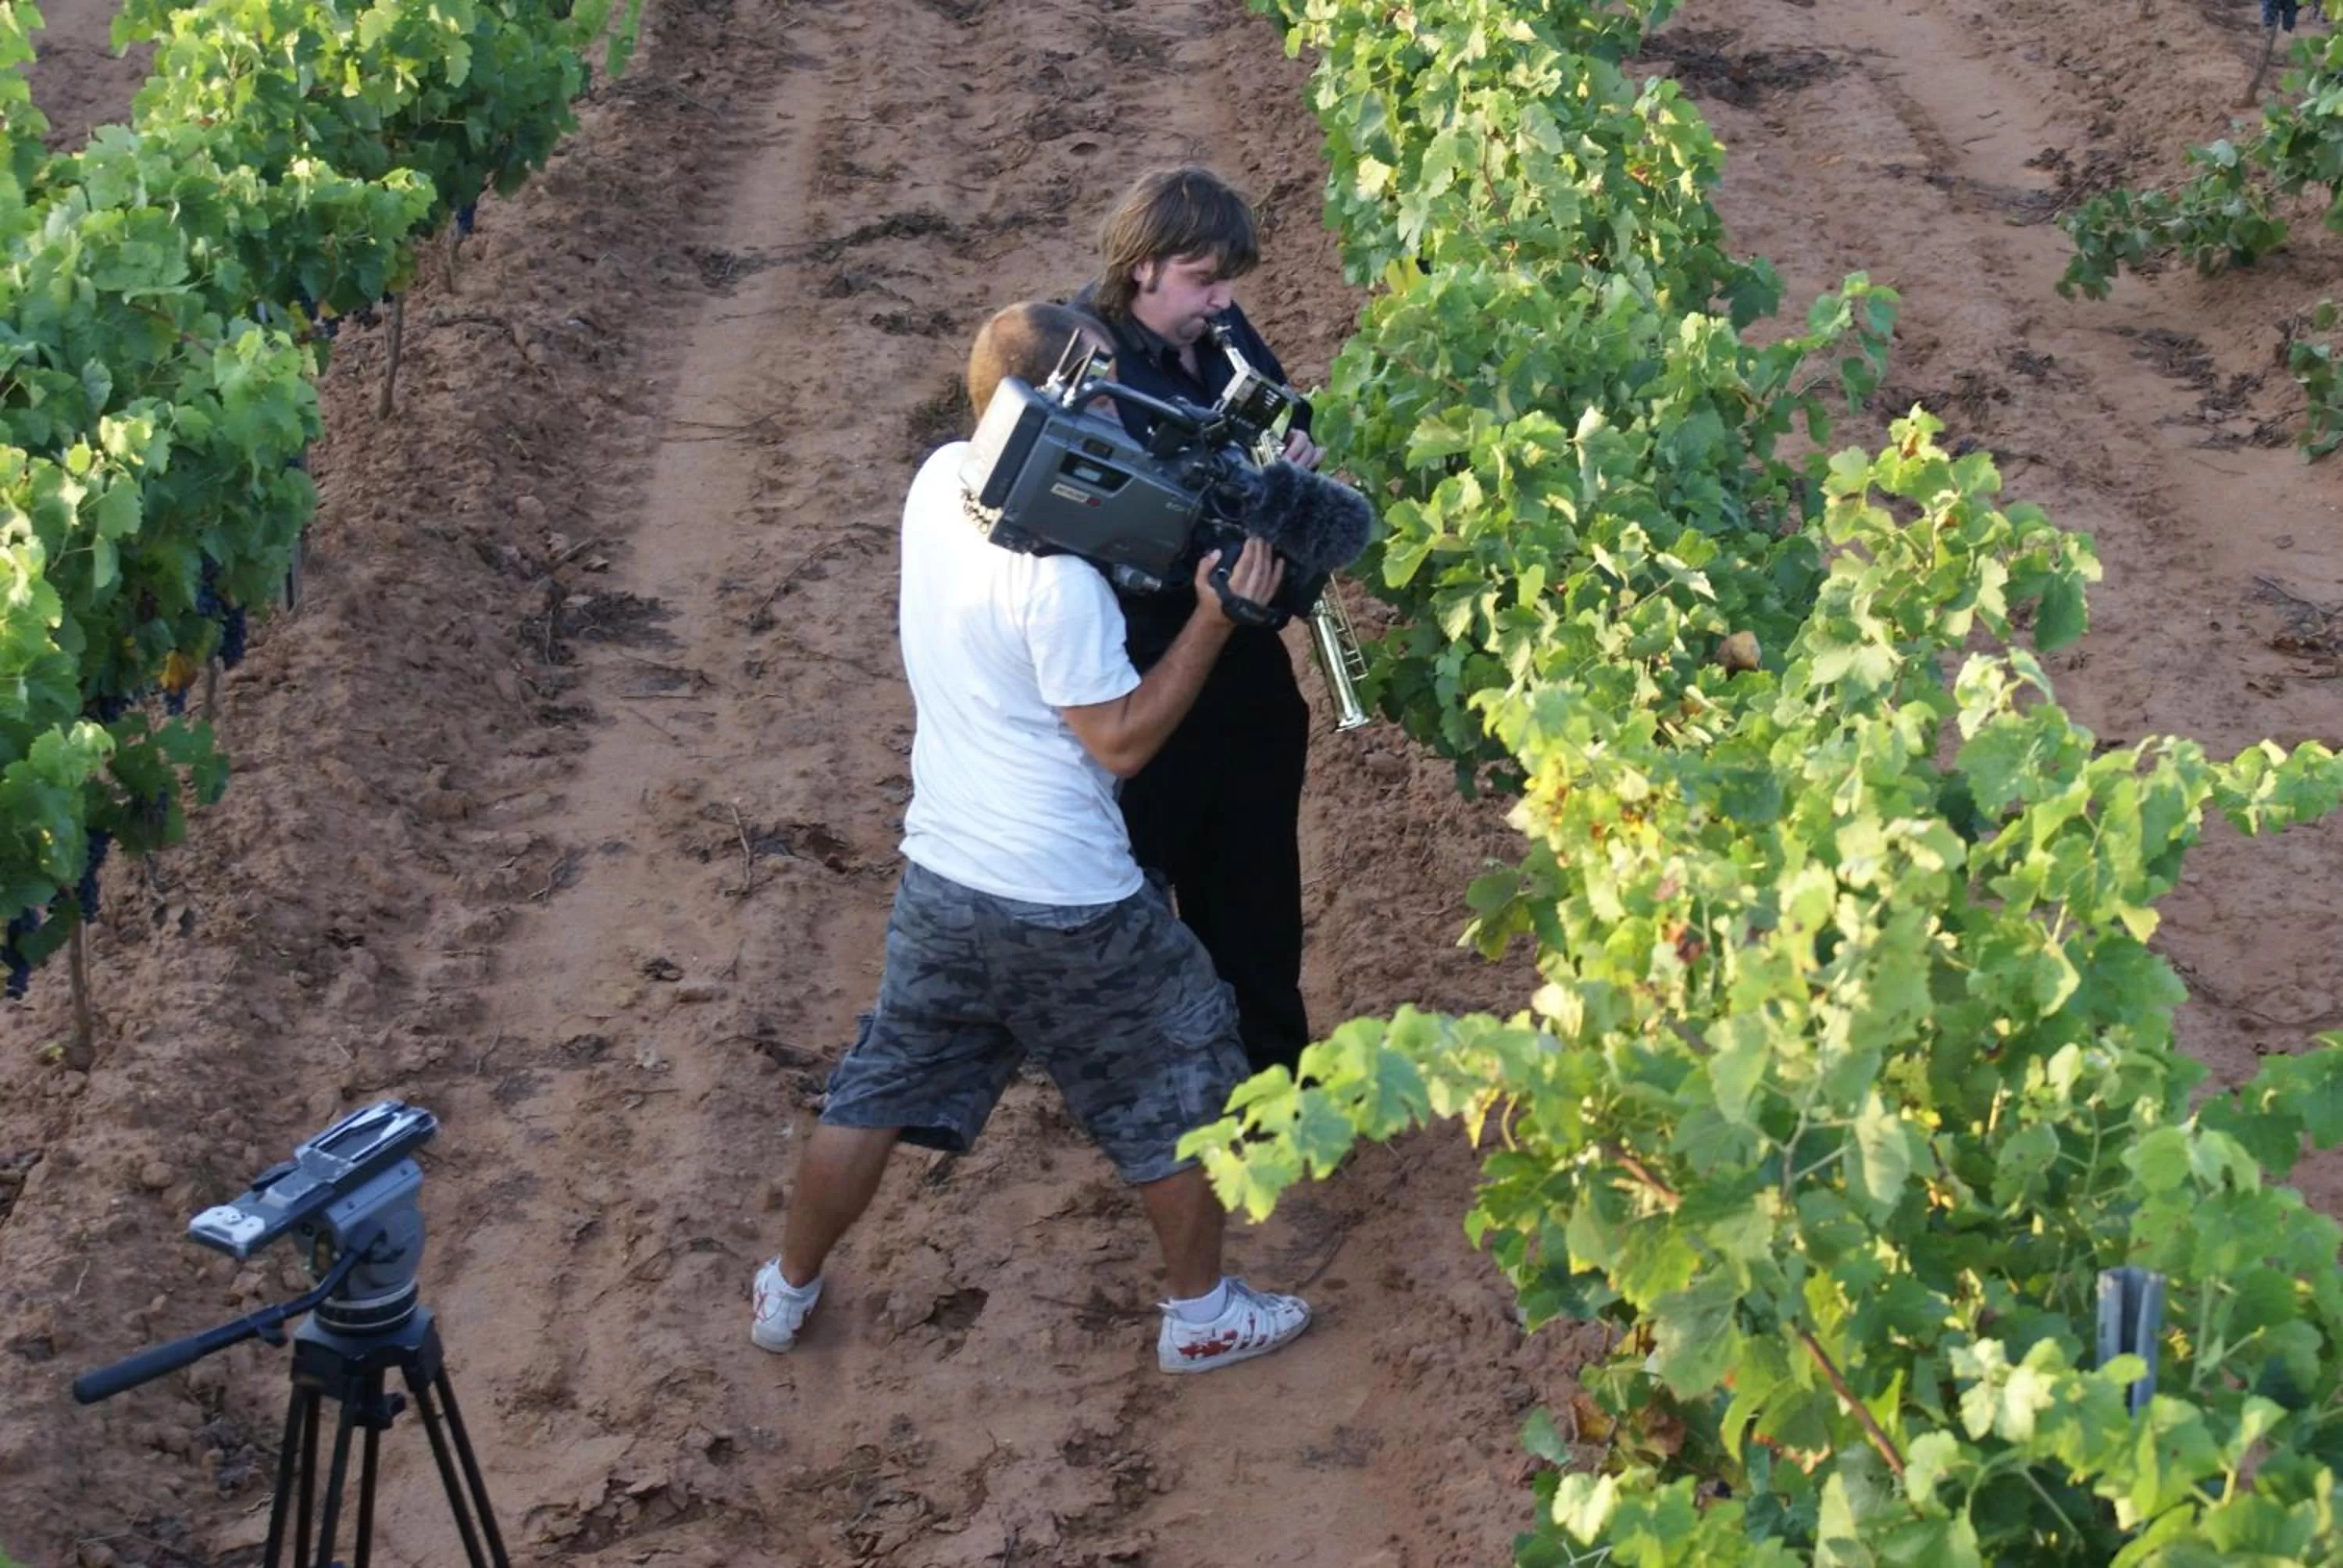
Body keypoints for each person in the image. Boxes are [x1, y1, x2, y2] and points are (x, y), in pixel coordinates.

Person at [749, 301, 1313, 1375]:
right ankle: (1201, 1317)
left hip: (944, 874)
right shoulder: (1057, 587)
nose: (1121, 405)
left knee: (878, 1083)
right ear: (1052, 406)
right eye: (1103, 389)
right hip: (1067, 899)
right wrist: (1212, 616)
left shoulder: (935, 483)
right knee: (1183, 1068)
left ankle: (787, 1288)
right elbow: (1123, 744)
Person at [1072, 166, 1321, 1079]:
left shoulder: (1219, 334)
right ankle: (1149, 1087)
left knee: (1257, 883)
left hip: (1243, 652)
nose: (1222, 302)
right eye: (1204, 279)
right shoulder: (1087, 356)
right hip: (1145, 667)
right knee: (1134, 889)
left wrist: (1294, 452)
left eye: (1228, 282)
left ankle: (1271, 1080)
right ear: (1142, 267)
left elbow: (1280, 407)